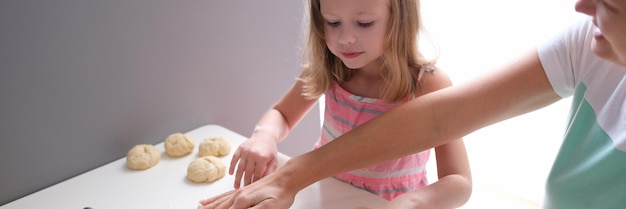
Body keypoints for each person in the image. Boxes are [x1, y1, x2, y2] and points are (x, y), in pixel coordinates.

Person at [201, 0, 472, 208]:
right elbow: (282, 114)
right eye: (332, 22)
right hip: (324, 192)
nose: (345, 39)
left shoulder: (427, 85)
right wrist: (264, 136)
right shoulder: (330, 70)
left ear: (399, 18)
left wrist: (415, 201)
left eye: (364, 23)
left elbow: (459, 182)